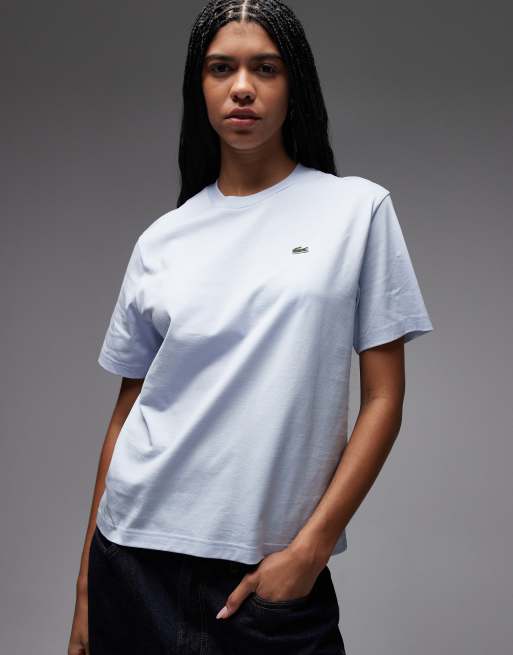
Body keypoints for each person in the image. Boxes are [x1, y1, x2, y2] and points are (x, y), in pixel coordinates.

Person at [68, 1, 434, 653]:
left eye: (265, 68)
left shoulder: (356, 211)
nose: (242, 87)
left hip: (266, 579)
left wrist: (310, 550)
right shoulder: (163, 238)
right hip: (130, 561)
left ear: (295, 86)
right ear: (200, 87)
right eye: (221, 68)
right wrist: (86, 593)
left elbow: (384, 398)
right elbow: (126, 413)